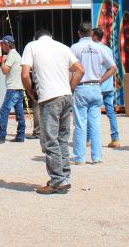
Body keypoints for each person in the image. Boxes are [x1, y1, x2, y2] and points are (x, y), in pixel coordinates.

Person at [22, 29, 84, 195]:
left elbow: (24, 74)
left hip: (49, 97)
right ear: (51, 36)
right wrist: (70, 87)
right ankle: (65, 177)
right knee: (62, 139)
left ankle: (57, 180)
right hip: (66, 96)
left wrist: (31, 93)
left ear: (36, 37)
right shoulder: (63, 47)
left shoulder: (32, 46)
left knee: (50, 140)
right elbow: (80, 70)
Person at [70, 24, 117, 165]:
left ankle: (80, 157)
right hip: (96, 87)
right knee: (95, 124)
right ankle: (96, 157)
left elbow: (69, 68)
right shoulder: (100, 48)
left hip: (81, 86)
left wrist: (70, 86)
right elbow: (113, 67)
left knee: (80, 123)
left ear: (79, 33)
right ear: (91, 33)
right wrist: (100, 80)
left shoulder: (74, 48)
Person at [0, 36, 25, 143]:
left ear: (8, 44)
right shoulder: (17, 55)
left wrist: (2, 61)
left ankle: (2, 136)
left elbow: (5, 70)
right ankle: (21, 135)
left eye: (3, 44)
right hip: (19, 87)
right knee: (19, 112)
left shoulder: (11, 55)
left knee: (4, 111)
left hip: (13, 88)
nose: (2, 47)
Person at [97, 38, 122, 149]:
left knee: (92, 112)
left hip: (96, 85)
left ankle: (88, 138)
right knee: (111, 112)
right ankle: (115, 138)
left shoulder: (93, 49)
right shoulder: (108, 49)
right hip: (108, 86)